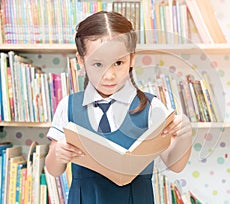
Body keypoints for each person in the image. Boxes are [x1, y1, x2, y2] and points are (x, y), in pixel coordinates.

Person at [45, 11, 192, 204]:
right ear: (81, 61)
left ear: (131, 59)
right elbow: (53, 169)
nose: (109, 75)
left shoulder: (151, 107)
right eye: (98, 64)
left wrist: (184, 135)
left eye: (118, 63)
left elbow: (175, 164)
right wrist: (58, 154)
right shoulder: (69, 106)